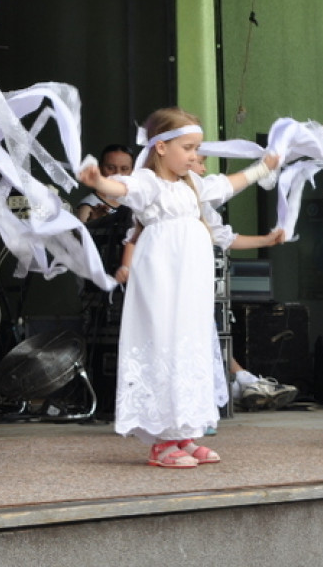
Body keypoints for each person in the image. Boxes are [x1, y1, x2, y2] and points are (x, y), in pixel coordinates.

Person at [79, 107, 278, 468]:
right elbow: (120, 188)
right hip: (162, 273)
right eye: (187, 148)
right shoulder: (147, 182)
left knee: (190, 343)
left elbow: (226, 185)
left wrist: (262, 168)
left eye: (196, 148)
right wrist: (98, 182)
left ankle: (185, 432)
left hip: (192, 276)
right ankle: (162, 442)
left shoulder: (194, 185)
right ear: (160, 147)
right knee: (165, 341)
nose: (193, 156)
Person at [114, 155, 296, 413]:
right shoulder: (158, 195)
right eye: (196, 159)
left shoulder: (199, 205)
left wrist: (266, 241)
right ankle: (165, 412)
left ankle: (199, 410)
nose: (200, 166)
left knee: (198, 341)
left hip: (191, 286)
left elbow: (226, 235)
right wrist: (126, 266)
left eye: (200, 160)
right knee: (168, 342)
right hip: (164, 282)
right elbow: (134, 235)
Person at [76, 144, 134, 223]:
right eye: (111, 168)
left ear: (132, 171)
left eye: (124, 169)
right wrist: (94, 223)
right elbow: (81, 234)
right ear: (99, 168)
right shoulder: (88, 207)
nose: (118, 174)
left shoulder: (137, 201)